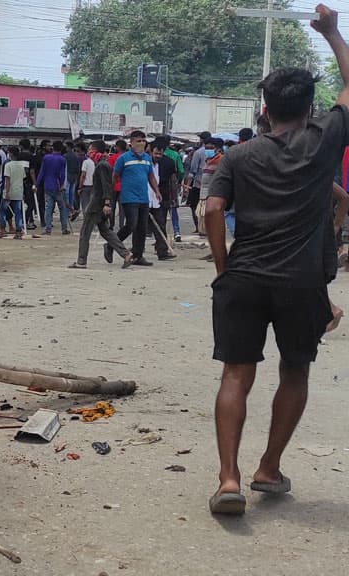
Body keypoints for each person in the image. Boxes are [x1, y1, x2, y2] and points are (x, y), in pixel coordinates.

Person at [203, 3, 347, 516]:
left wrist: (224, 267)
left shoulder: (239, 156)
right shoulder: (323, 143)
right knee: (295, 370)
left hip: (244, 279)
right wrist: (331, 33)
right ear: (310, 107)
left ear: (264, 108)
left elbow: (213, 209)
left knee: (235, 375)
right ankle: (268, 467)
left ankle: (227, 479)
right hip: (300, 282)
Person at [70, 140, 133, 269]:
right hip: (100, 203)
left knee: (85, 233)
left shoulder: (102, 166)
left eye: (91, 149)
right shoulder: (101, 164)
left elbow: (106, 185)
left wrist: (107, 203)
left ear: (96, 151)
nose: (89, 152)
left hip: (96, 205)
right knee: (106, 231)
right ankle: (126, 254)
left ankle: (81, 261)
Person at [113, 131, 160, 266]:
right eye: (138, 141)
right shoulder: (123, 158)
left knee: (142, 228)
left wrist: (157, 191)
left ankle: (138, 256)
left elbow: (151, 176)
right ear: (131, 143)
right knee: (131, 225)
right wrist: (111, 195)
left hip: (143, 197)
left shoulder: (147, 158)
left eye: (143, 141)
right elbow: (115, 176)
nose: (141, 143)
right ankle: (113, 244)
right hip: (129, 197)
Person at [149, 141, 178, 261]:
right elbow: (174, 181)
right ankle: (160, 249)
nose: (158, 156)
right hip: (152, 196)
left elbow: (173, 181)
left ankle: (161, 249)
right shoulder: (147, 161)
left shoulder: (167, 162)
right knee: (159, 224)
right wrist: (174, 197)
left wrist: (173, 197)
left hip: (161, 196)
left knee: (160, 224)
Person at [37, 141, 70, 234]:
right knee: (62, 208)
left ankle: (48, 228)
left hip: (47, 185)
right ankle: (64, 228)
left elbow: (42, 172)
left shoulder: (46, 158)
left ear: (53, 148)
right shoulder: (62, 159)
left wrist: (37, 184)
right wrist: (62, 184)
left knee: (48, 208)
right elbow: (62, 174)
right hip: (58, 186)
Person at [184, 131, 211, 235]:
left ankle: (199, 227)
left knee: (194, 206)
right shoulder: (218, 152)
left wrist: (186, 186)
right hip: (212, 185)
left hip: (198, 185)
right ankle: (206, 228)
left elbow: (192, 171)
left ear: (202, 140)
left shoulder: (199, 152)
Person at [1, 146, 27, 239]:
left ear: (11, 154)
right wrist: (23, 192)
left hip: (10, 191)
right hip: (19, 191)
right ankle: (18, 232)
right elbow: (22, 179)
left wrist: (7, 192)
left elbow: (7, 180)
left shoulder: (8, 165)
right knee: (18, 212)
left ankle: (3, 230)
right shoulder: (21, 165)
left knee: (3, 211)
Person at [65, 141, 85, 215]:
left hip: (67, 177)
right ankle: (71, 210)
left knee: (66, 194)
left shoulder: (65, 156)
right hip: (74, 177)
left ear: (68, 147)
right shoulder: (77, 157)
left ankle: (67, 211)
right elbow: (78, 169)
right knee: (71, 194)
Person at [77, 143, 95, 215]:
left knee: (85, 206)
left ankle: (86, 223)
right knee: (92, 207)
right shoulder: (97, 162)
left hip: (86, 187)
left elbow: (83, 175)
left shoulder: (86, 162)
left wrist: (80, 187)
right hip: (94, 187)